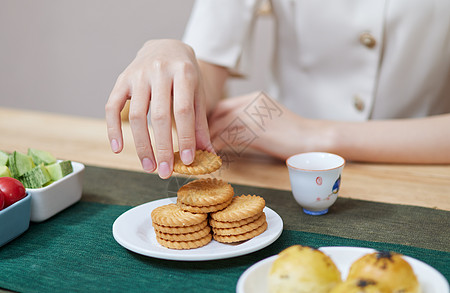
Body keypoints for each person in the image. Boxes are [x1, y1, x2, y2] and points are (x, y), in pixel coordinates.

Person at [105, 0, 450, 179]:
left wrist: (315, 135)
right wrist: (177, 56)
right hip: (279, 171)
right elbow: (207, 74)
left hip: (422, 173)